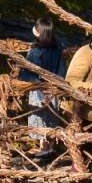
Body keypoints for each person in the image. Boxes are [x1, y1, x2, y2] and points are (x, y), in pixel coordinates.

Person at [18, 20, 67, 153]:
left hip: (38, 88)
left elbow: (25, 74)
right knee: (51, 119)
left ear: (39, 32)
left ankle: (44, 150)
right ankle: (48, 148)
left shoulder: (35, 51)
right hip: (54, 88)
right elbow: (62, 70)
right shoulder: (58, 46)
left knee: (40, 119)